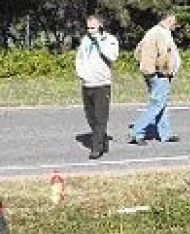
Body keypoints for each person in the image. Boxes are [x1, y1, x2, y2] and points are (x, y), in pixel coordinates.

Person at [129, 12, 181, 144]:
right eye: (173, 21)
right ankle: (137, 132)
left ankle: (165, 133)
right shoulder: (162, 33)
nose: (175, 24)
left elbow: (137, 52)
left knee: (161, 103)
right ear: (168, 20)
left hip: (150, 72)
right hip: (160, 74)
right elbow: (164, 54)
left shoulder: (151, 32)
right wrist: (167, 71)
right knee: (157, 103)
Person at [74, 14, 120, 159]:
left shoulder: (110, 40)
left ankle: (96, 148)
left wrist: (100, 41)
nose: (90, 30)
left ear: (99, 25)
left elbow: (112, 56)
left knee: (101, 117)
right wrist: (80, 72)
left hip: (102, 84)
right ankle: (102, 139)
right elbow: (80, 58)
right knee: (90, 117)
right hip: (87, 83)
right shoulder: (85, 40)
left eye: (93, 27)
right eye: (88, 28)